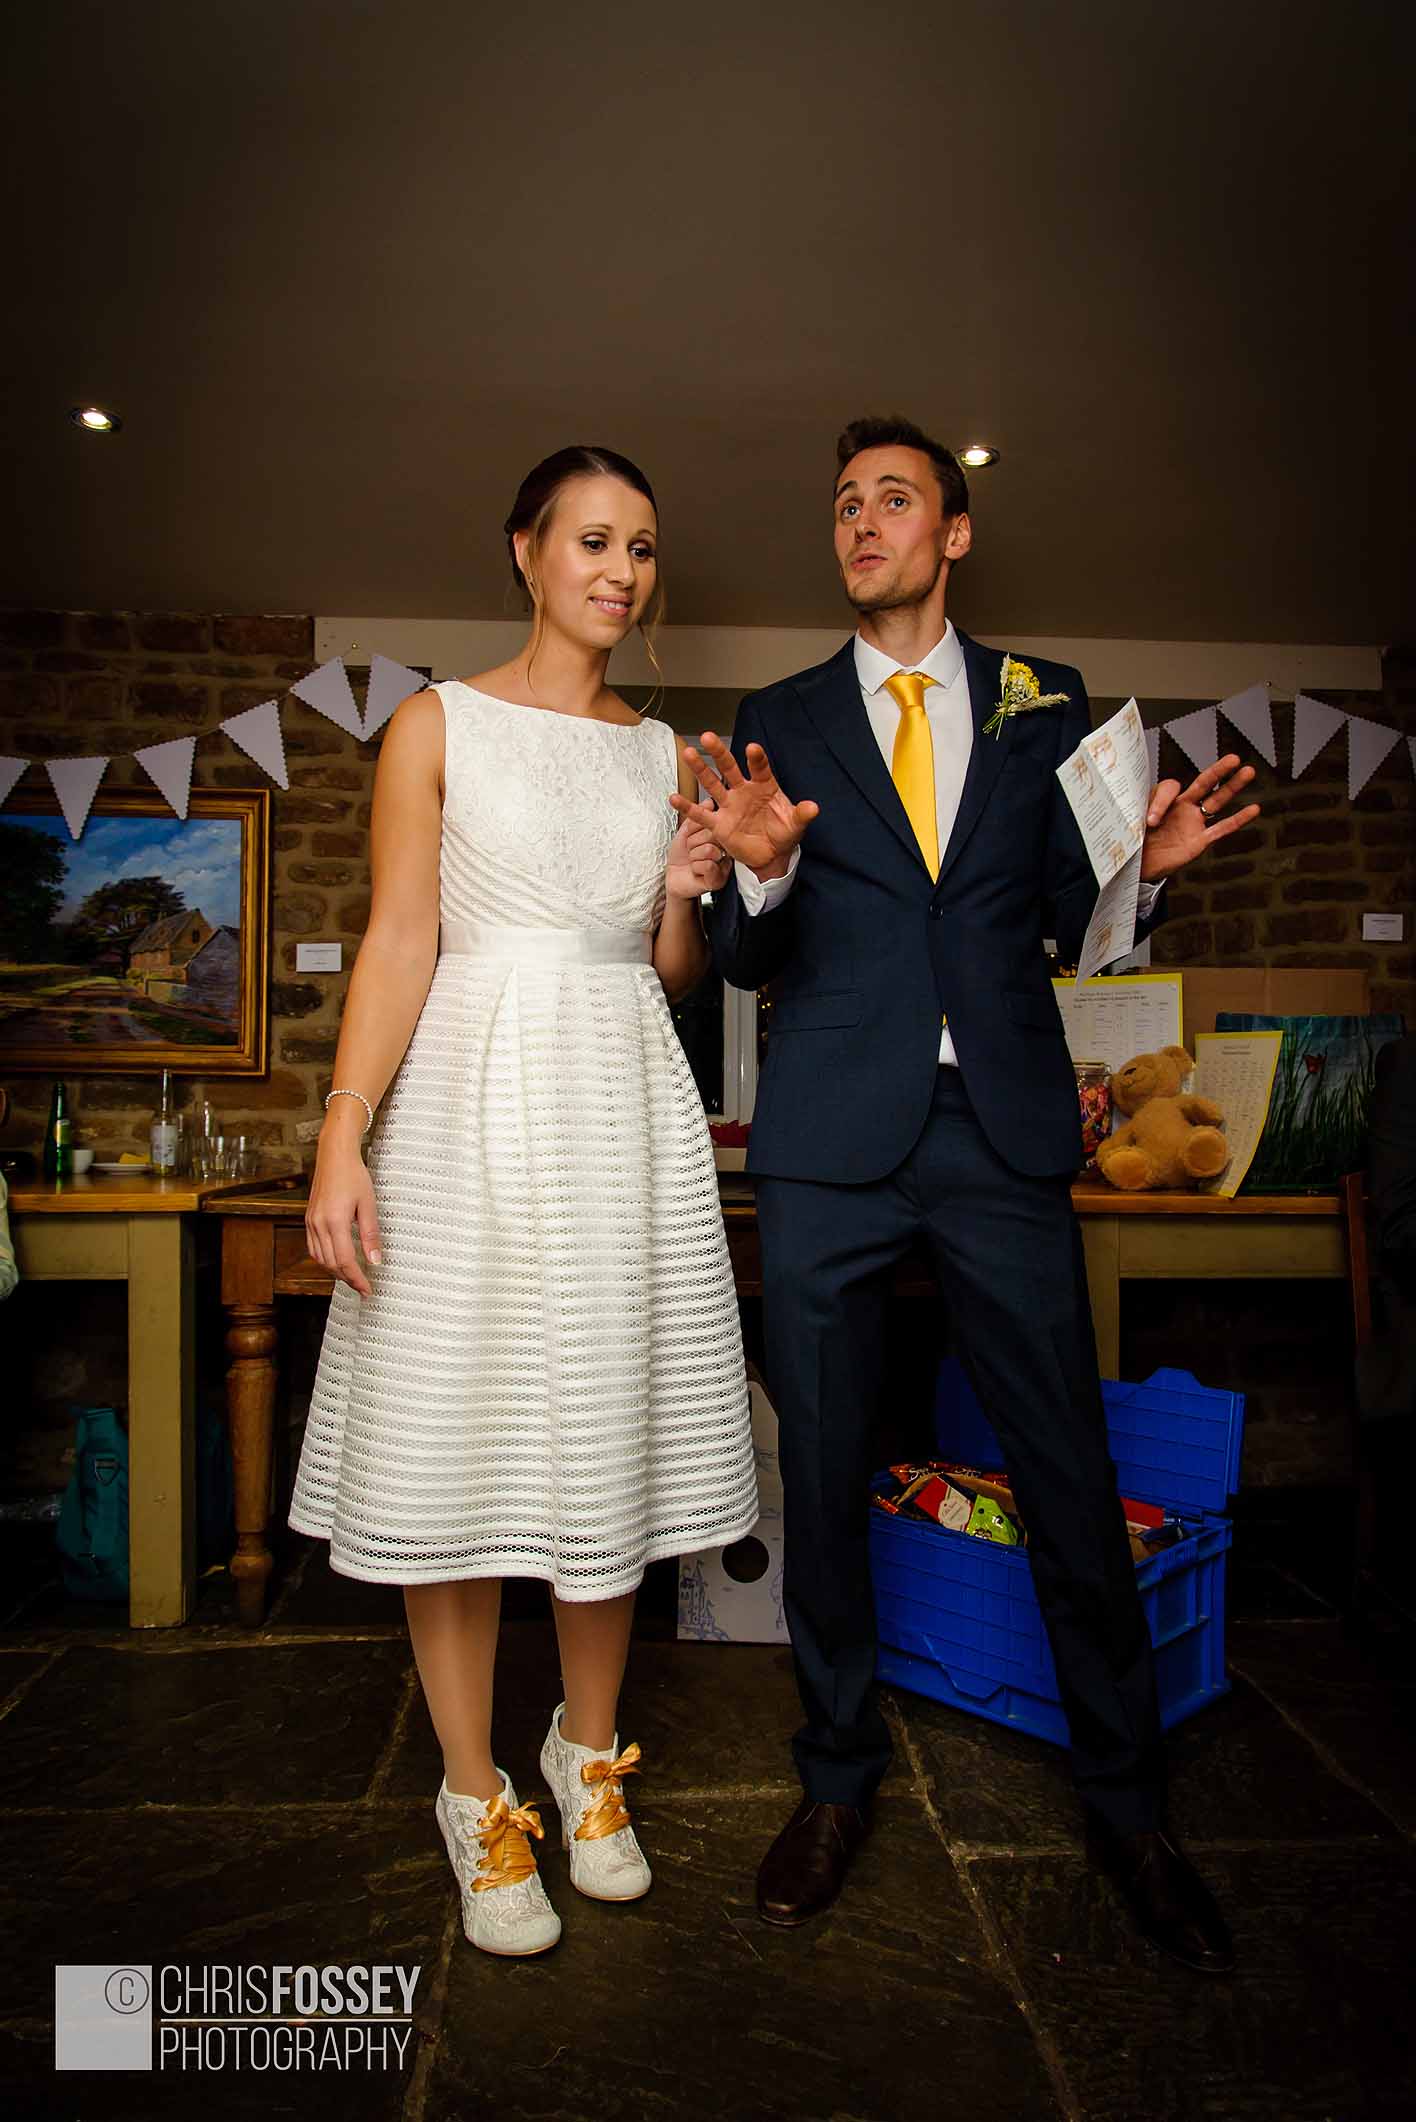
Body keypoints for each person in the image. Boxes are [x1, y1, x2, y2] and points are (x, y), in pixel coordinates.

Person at [677, 415, 1260, 1975]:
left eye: (895, 499)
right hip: (828, 1139)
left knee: (1065, 1458)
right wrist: (761, 871)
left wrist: (1147, 868)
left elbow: (1076, 924)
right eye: (844, 503)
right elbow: (742, 952)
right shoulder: (779, 717)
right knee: (823, 1467)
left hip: (998, 1131)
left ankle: (1129, 1807)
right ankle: (833, 1777)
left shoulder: (1042, 703)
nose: (862, 521)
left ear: (954, 534)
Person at [290, 445, 756, 1958]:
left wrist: (685, 888)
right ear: (526, 551)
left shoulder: (661, 748)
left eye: (643, 547)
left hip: (622, 1106)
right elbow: (400, 938)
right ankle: (475, 1789)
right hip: (469, 1105)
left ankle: (587, 1754)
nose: (621, 571)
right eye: (593, 540)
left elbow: (668, 973)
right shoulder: (437, 724)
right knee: (462, 1443)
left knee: (605, 1432)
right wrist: (344, 1135)